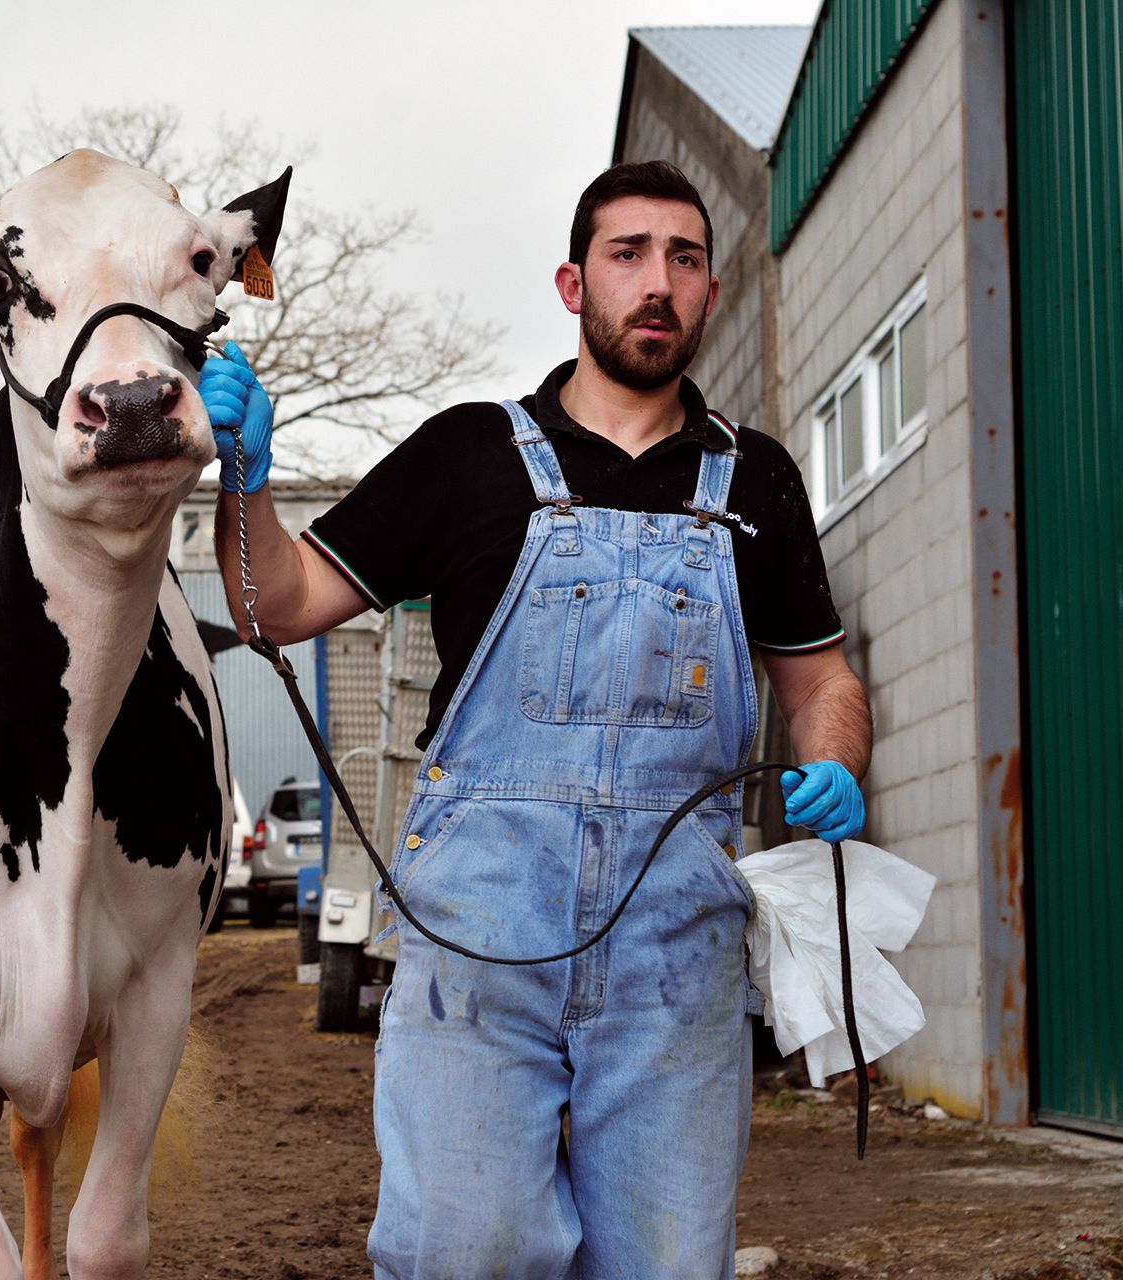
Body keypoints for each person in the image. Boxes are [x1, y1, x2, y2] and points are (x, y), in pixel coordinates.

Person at [199, 160, 872, 1279]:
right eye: (629, 254)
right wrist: (246, 485)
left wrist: (836, 757)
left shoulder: (757, 481)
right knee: (469, 1248)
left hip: (675, 955)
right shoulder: (467, 453)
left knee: (666, 1261)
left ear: (709, 294)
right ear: (574, 284)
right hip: (482, 936)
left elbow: (821, 684)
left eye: (685, 258)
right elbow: (276, 604)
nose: (657, 281)